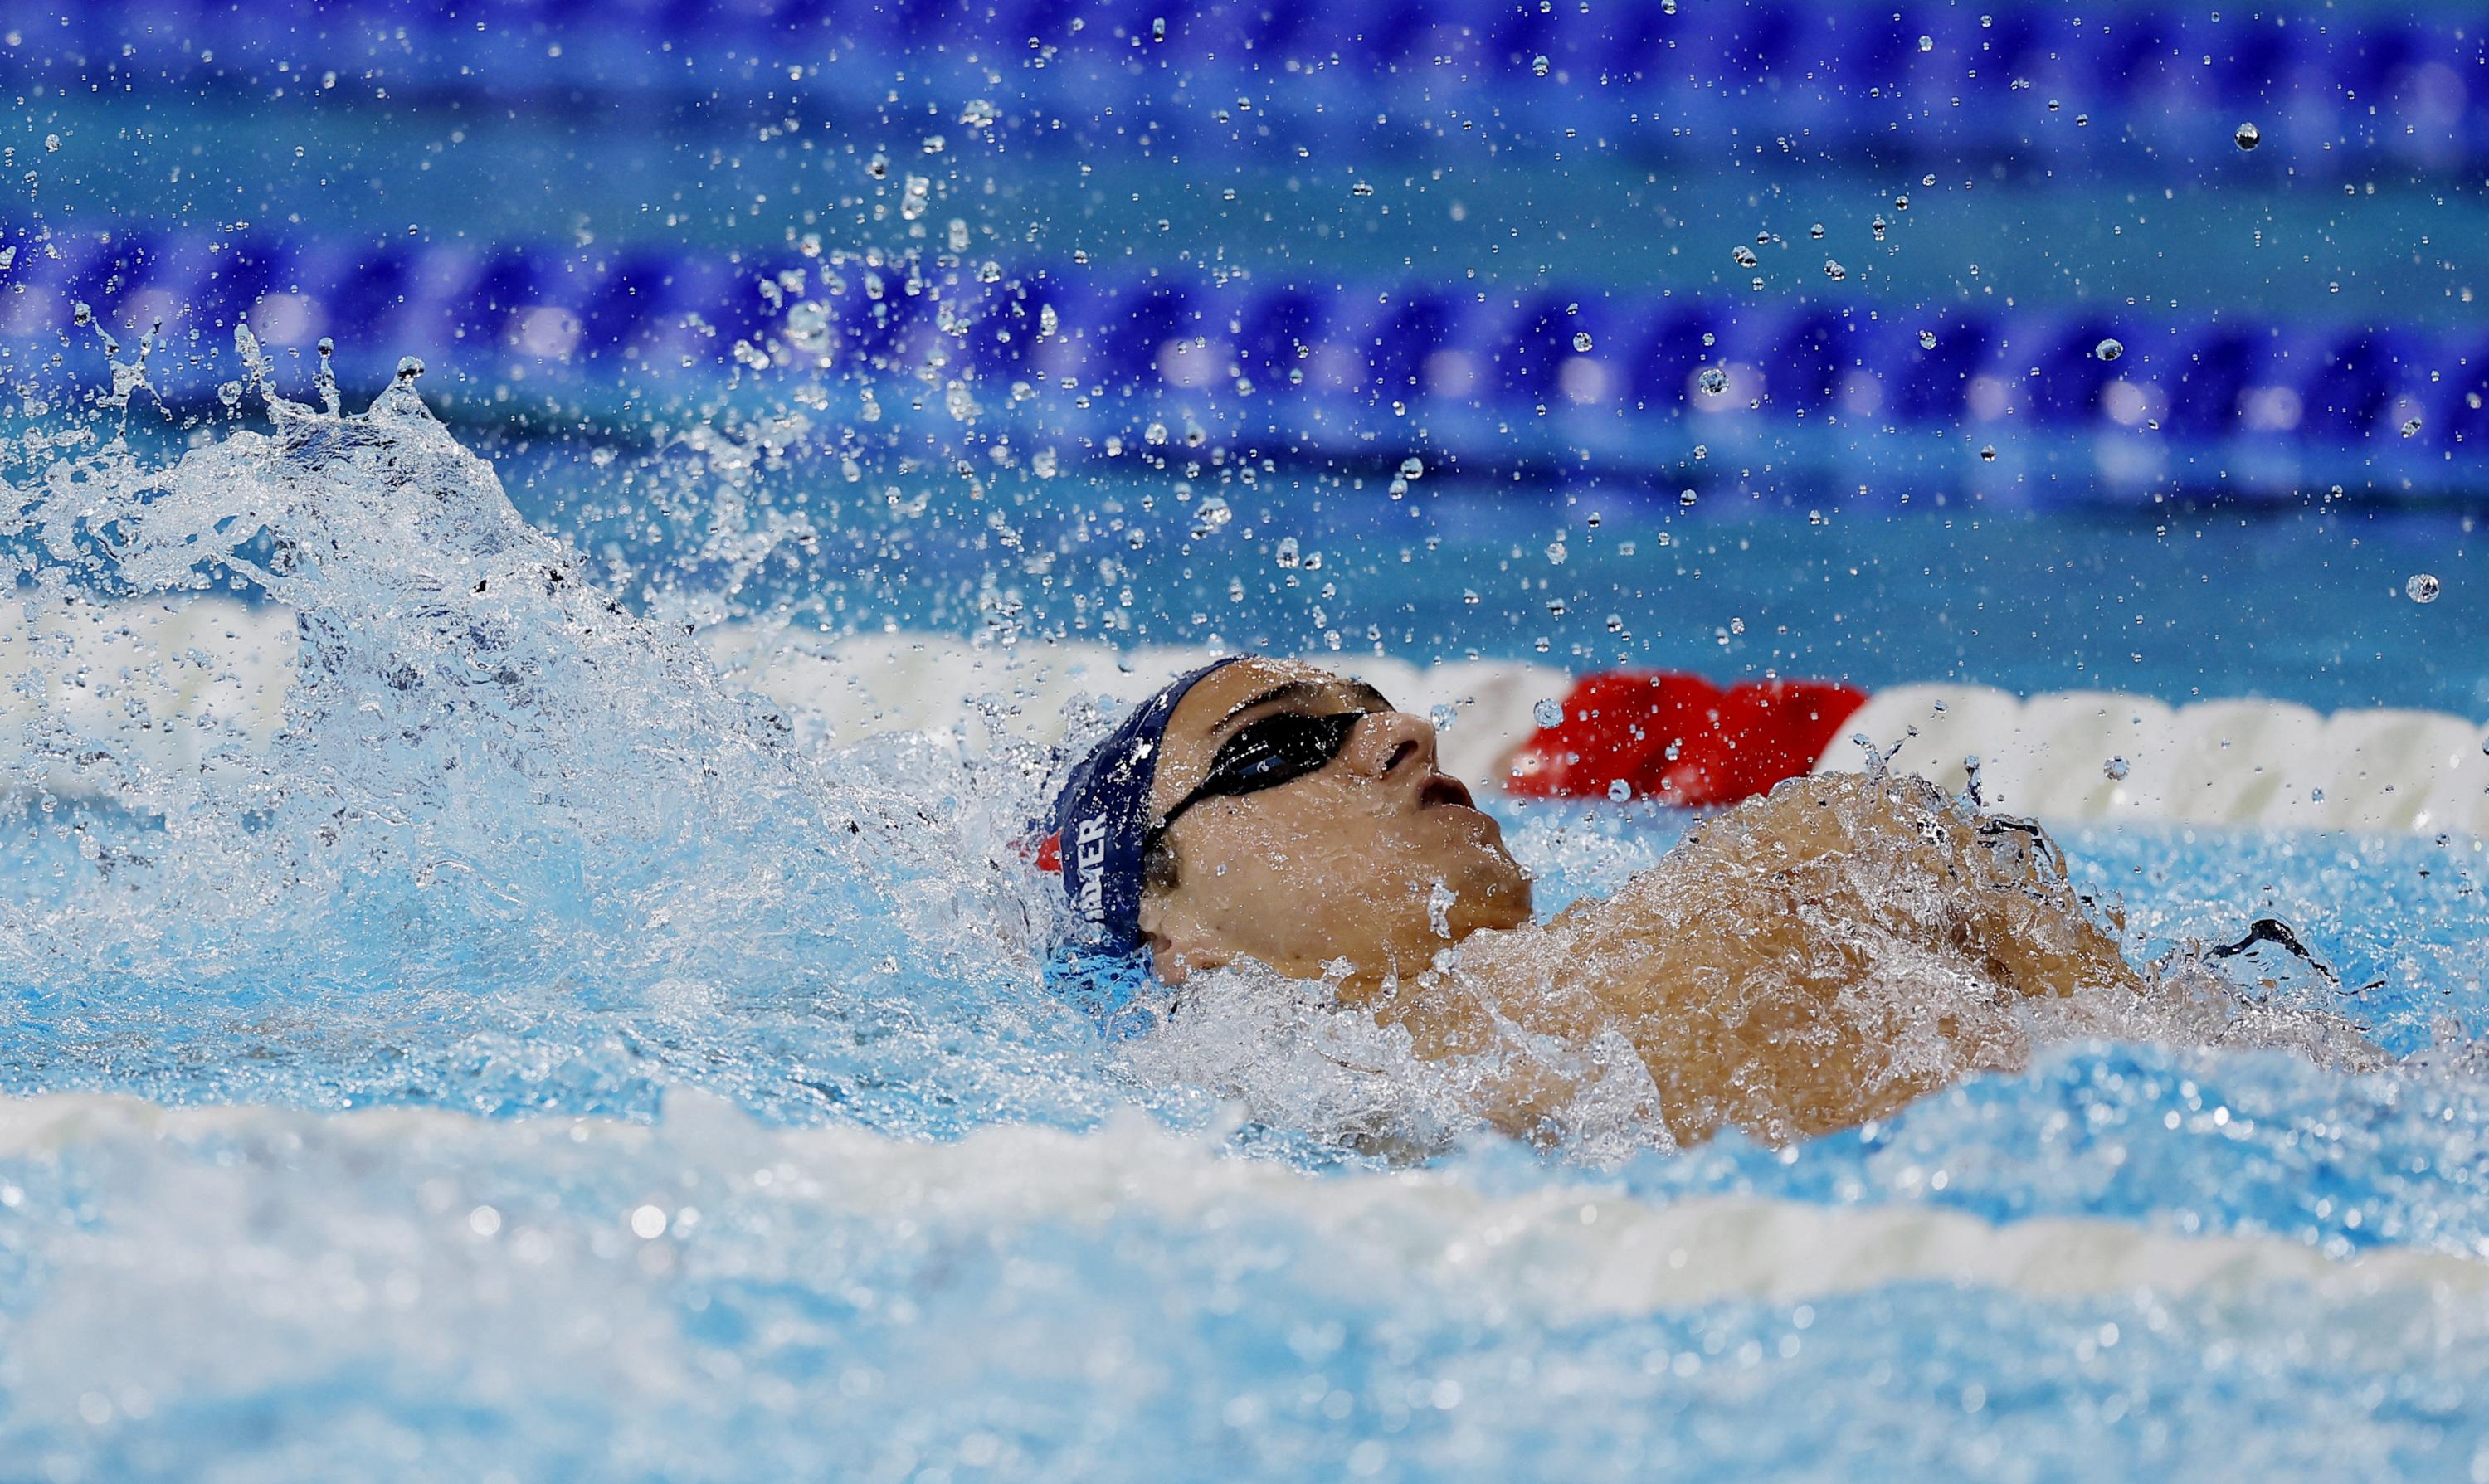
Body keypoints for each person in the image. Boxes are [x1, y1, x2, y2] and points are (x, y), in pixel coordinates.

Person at [1042, 656, 2375, 1149]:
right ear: (1178, 936)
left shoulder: (1827, 845)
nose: (1408, 735)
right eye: (1286, 743)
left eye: (1382, 709)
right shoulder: (1264, 1128)